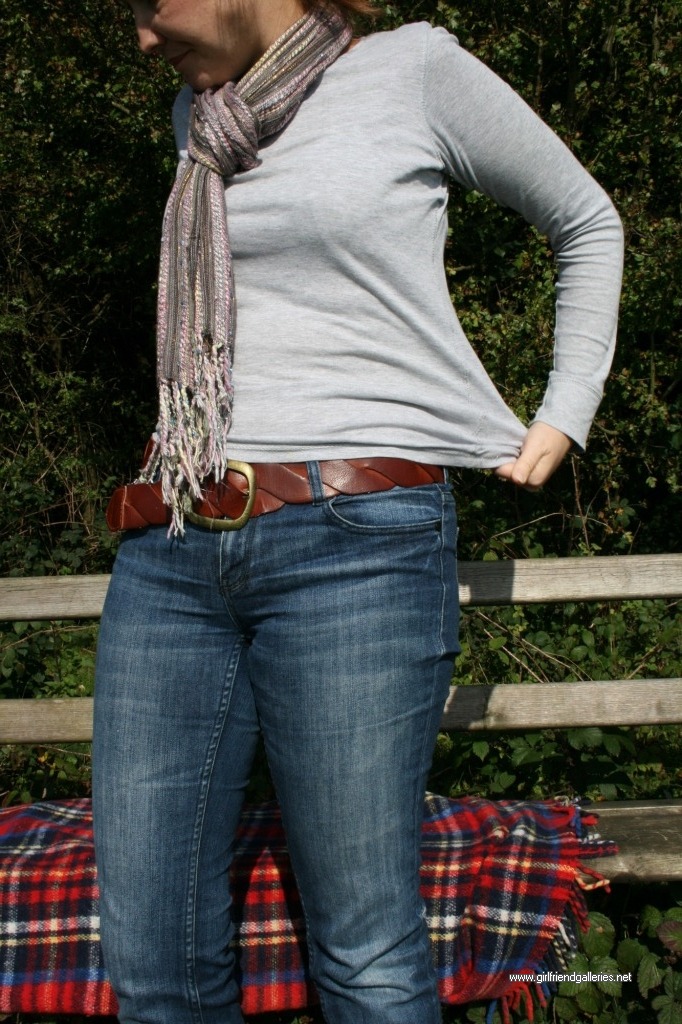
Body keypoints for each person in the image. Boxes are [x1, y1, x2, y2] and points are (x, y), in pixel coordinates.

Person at [91, 1, 624, 1022]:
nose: (144, 38)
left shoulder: (413, 69)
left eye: (152, 4)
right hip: (171, 543)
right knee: (152, 956)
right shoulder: (200, 117)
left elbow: (587, 221)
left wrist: (565, 410)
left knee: (366, 955)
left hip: (356, 547)